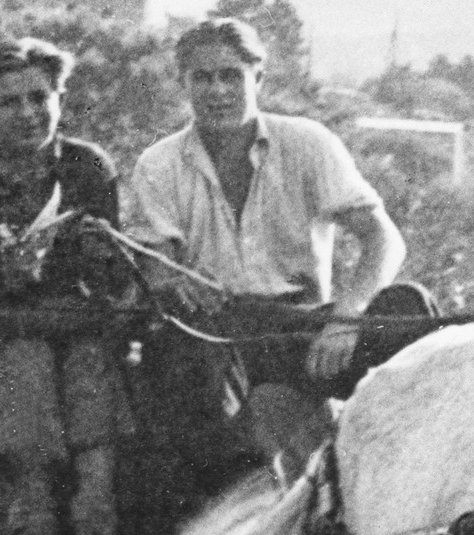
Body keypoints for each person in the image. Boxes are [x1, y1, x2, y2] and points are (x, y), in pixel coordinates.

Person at [128, 17, 407, 482]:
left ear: (257, 78)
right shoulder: (159, 165)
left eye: (230, 75)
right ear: (184, 83)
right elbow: (157, 271)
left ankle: (400, 483)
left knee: (407, 308)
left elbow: (384, 238)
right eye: (202, 77)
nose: (217, 91)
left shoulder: (308, 143)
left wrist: (347, 317)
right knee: (180, 360)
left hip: (306, 329)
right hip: (220, 336)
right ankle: (232, 499)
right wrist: (176, 285)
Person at [0, 37, 137, 535]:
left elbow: (109, 272)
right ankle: (36, 523)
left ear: (59, 100)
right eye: (9, 102)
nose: (28, 113)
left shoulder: (87, 169)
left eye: (40, 97)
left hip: (83, 331)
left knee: (88, 366)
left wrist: (93, 277)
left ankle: (98, 527)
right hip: (6, 338)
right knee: (26, 361)